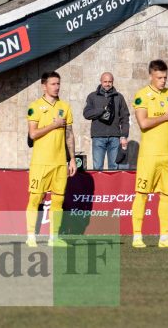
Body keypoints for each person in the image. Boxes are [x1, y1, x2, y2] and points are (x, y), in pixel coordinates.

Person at [131, 60, 168, 248]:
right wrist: (165, 117)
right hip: (149, 155)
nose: (163, 81)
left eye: (165, 77)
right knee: (142, 194)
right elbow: (143, 123)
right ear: (151, 76)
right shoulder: (142, 96)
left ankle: (165, 237)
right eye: (159, 78)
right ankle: (137, 236)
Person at [25, 71, 75, 248]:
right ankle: (30, 236)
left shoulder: (65, 106)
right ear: (44, 86)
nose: (57, 87)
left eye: (58, 84)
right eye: (53, 84)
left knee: (58, 200)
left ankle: (54, 238)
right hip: (41, 162)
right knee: (36, 198)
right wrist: (53, 125)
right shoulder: (35, 106)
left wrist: (72, 159)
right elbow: (33, 133)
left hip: (60, 162)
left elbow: (69, 134)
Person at [83, 72, 129, 170]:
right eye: (105, 82)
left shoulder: (119, 97)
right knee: (97, 168)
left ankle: (113, 186)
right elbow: (87, 114)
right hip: (98, 137)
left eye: (110, 82)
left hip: (115, 138)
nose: (107, 84)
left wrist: (124, 135)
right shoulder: (92, 96)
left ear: (113, 82)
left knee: (115, 168)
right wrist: (101, 110)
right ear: (101, 81)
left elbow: (125, 117)